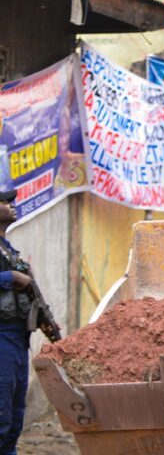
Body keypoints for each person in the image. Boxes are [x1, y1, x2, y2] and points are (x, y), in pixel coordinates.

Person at [0, 190, 34, 453]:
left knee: (14, 419)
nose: (12, 205)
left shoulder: (9, 249)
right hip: (2, 338)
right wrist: (10, 277)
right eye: (5, 201)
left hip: (18, 339)